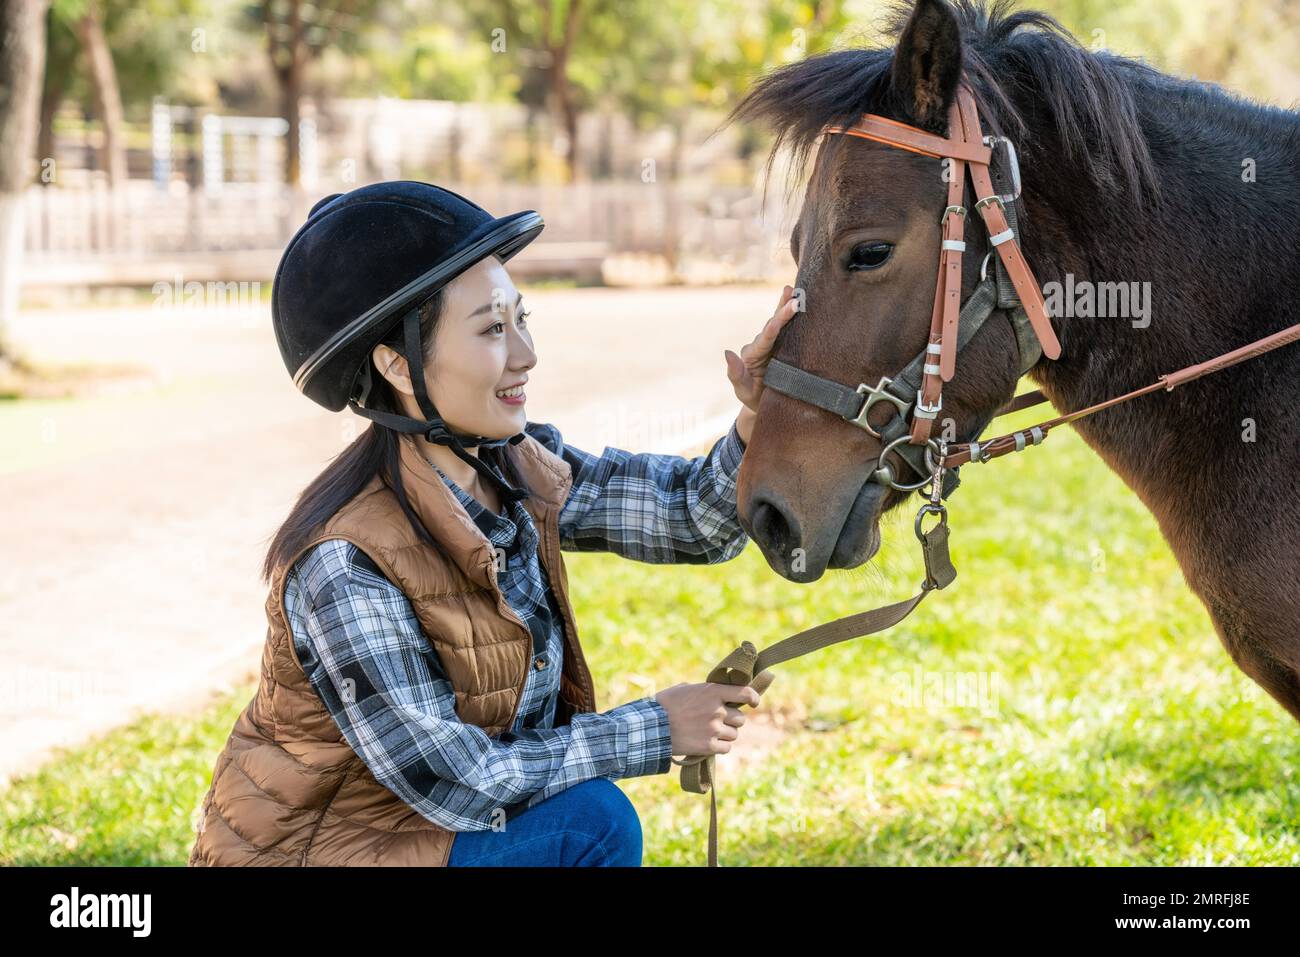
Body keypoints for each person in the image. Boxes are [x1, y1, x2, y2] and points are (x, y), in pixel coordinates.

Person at [188, 181, 799, 867]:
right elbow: (460, 778)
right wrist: (656, 727)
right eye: (491, 328)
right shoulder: (344, 562)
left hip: (420, 843)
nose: (526, 354)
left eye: (521, 318)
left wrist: (757, 414)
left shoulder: (516, 467)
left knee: (585, 817)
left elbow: (692, 519)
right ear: (397, 364)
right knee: (590, 823)